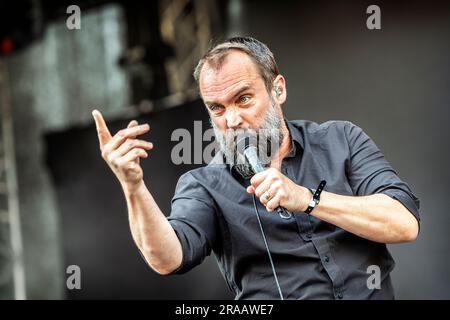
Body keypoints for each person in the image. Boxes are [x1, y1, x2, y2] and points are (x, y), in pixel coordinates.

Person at [92, 37, 420, 300]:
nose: (232, 120)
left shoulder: (340, 138)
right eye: (217, 108)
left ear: (278, 89)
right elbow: (167, 257)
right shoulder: (204, 185)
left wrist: (308, 199)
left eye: (244, 99)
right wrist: (133, 187)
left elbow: (403, 223)